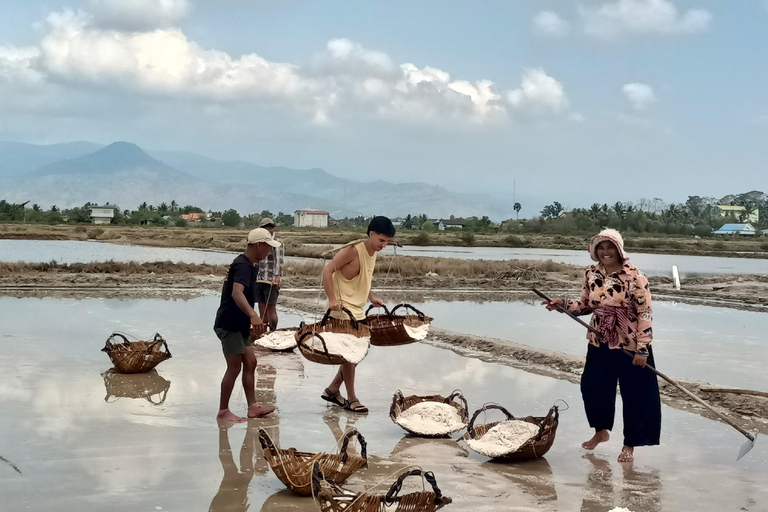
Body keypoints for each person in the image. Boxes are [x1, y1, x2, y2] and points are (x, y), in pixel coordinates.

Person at [542, 228, 660, 463]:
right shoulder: (591, 274)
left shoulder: (636, 276)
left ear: (619, 250)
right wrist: (563, 304)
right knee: (592, 386)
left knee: (637, 395)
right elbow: (586, 305)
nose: (605, 252)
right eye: (601, 248)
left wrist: (642, 348)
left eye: (610, 247)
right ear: (595, 251)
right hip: (600, 339)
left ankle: (629, 445)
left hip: (630, 342)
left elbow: (645, 312)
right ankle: (601, 430)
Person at [319, 216, 394, 413]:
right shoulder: (353, 251)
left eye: (387, 242)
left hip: (357, 310)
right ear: (371, 234)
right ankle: (351, 398)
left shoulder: (373, 252)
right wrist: (332, 299)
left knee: (358, 353)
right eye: (381, 240)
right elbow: (327, 271)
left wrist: (371, 296)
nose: (383, 245)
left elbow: (364, 277)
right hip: (342, 312)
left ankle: (333, 390)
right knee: (351, 356)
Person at [214, 227, 281, 422]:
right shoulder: (242, 265)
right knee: (234, 367)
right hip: (230, 322)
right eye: (267, 247)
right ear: (258, 245)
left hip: (240, 322)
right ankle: (223, 411)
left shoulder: (251, 265)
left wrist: (250, 319)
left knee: (251, 362)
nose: (269, 251)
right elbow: (236, 293)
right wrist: (253, 315)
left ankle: (253, 407)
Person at [255, 218, 284, 331]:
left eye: (271, 227)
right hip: (260, 279)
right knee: (261, 306)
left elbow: (279, 260)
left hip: (271, 280)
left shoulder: (277, 242)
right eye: (266, 228)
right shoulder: (260, 242)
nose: (269, 230)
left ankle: (272, 331)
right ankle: (262, 331)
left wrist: (277, 276)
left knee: (271, 307)